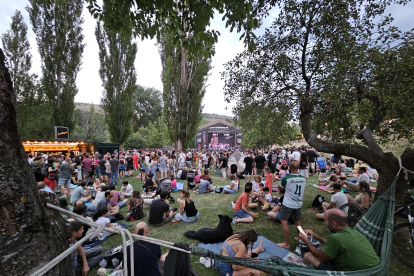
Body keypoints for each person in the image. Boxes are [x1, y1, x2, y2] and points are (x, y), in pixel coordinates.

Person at [298, 209, 380, 271]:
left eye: (326, 220)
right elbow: (331, 242)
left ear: (333, 223)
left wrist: (306, 241)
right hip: (374, 270)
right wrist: (315, 236)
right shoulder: (354, 232)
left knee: (308, 256)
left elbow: (320, 258)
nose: (324, 223)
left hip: (355, 273)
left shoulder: (336, 238)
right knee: (325, 246)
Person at [276, 161, 306, 249]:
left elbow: (281, 188)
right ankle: (302, 239)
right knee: (298, 222)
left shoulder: (286, 178)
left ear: (290, 167)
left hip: (287, 204)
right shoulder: (303, 178)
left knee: (284, 222)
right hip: (298, 203)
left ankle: (286, 243)